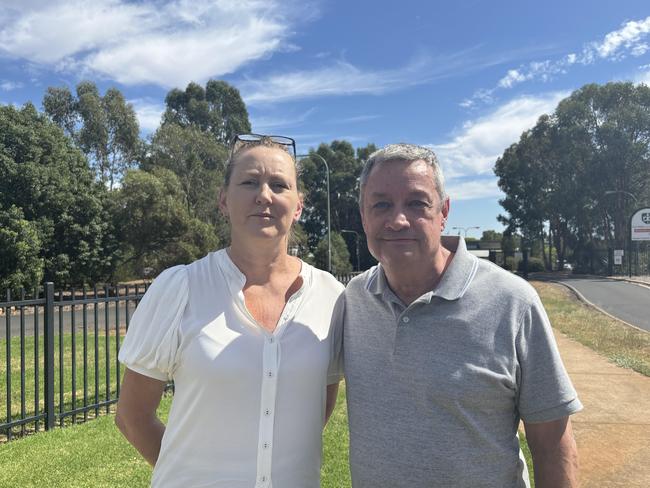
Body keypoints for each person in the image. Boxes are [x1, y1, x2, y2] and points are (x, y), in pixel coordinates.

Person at [342, 143, 582, 488]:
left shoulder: (512, 301)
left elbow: (553, 444)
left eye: (416, 203)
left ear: (444, 211)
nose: (397, 220)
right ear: (364, 215)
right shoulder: (354, 300)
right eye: (381, 204)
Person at [115, 134, 344, 488]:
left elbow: (317, 407)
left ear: (298, 206)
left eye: (279, 185)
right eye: (249, 182)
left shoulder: (330, 295)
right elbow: (132, 417)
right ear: (223, 200)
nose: (264, 195)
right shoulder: (181, 288)